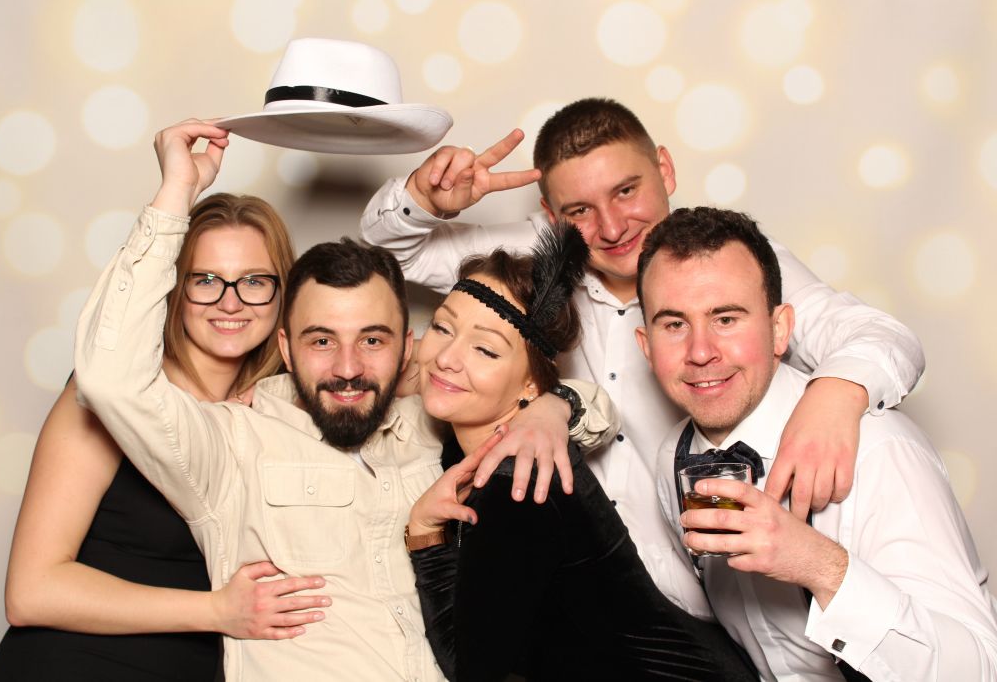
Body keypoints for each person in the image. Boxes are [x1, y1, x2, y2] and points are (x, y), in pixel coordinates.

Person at [72, 119, 615, 680]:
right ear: (286, 347)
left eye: (372, 341)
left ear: (407, 349)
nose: (348, 368)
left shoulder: (434, 423)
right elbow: (109, 379)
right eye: (321, 341)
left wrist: (553, 409)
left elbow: (594, 407)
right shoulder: (230, 445)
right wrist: (175, 194)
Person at [360, 98, 926, 615]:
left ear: (665, 170)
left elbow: (879, 335)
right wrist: (424, 200)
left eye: (627, 191)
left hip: (730, 604)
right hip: (587, 592)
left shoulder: (730, 264)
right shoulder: (546, 259)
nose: (611, 227)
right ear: (552, 217)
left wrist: (834, 397)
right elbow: (396, 252)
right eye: (580, 210)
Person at [634, 206, 997, 681]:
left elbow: (978, 669)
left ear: (780, 329)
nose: (701, 352)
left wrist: (819, 566)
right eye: (674, 325)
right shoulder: (673, 459)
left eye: (726, 319)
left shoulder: (880, 449)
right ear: (646, 345)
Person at [0, 191, 326, 680]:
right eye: (205, 280)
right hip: (73, 666)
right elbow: (30, 592)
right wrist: (217, 610)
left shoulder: (287, 406)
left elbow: (396, 357)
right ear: (175, 289)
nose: (230, 301)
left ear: (283, 295)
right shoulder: (114, 395)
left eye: (255, 281)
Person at [404, 225, 759, 681]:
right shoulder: (471, 451)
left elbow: (474, 673)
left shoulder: (519, 482)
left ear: (531, 383)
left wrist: (424, 534)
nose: (447, 357)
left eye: (485, 350)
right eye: (441, 327)